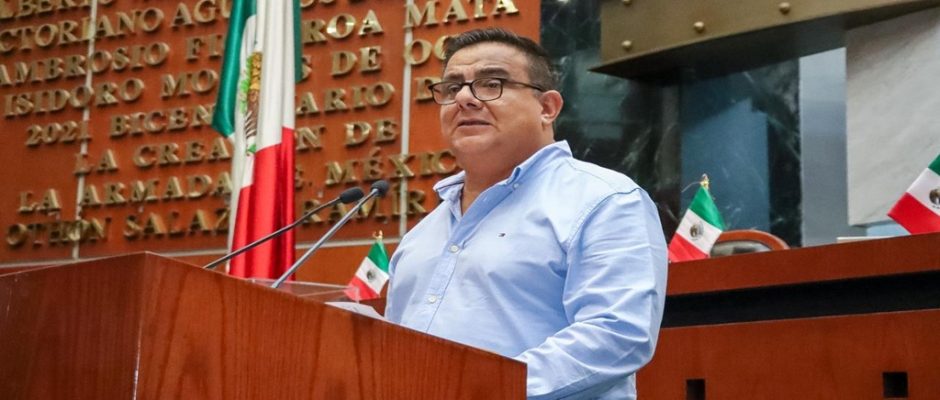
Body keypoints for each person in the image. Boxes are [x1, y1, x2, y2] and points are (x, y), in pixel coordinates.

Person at [385, 28, 667, 400]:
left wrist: (478, 390)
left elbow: (616, 334)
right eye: (452, 88)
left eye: (491, 84)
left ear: (547, 108)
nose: (465, 98)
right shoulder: (419, 238)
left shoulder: (605, 199)